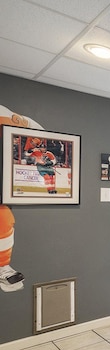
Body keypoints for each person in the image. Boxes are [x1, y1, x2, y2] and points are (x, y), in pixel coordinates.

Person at [0, 105, 43, 292]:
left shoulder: (8, 117)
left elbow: (42, 133)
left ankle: (2, 266)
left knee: (4, 219)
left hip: (5, 182)